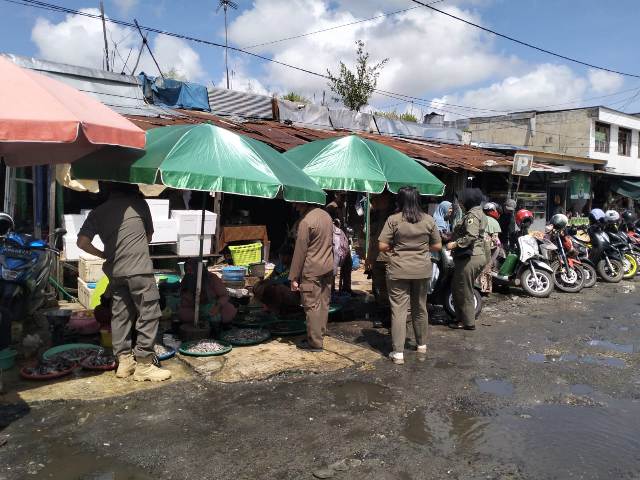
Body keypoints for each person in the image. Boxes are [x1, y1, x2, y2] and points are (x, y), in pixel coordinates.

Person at [77, 182, 171, 382]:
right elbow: (148, 237)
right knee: (149, 312)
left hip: (115, 272)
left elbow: (82, 243)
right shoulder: (139, 204)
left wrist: (103, 253)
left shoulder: (97, 212)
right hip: (138, 269)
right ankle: (145, 365)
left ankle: (124, 362)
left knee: (120, 314)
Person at [379, 187, 442, 365]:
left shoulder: (394, 220)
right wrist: (421, 248)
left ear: (399, 200)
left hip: (398, 269)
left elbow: (382, 246)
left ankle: (398, 353)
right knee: (420, 307)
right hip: (422, 270)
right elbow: (438, 246)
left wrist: (397, 248)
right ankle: (421, 344)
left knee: (399, 310)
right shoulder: (429, 220)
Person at [289, 202, 334, 351]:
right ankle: (319, 333)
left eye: (297, 204)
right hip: (327, 266)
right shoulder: (326, 216)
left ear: (305, 202)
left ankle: (315, 342)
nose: (295, 207)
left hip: (311, 269)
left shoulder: (306, 221)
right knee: (323, 302)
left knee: (311, 306)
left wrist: (294, 277)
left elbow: (300, 251)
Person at [447, 188, 487, 331]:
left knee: (464, 289)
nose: (461, 204)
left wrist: (455, 244)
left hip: (470, 256)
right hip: (472, 256)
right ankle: (461, 318)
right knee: (458, 287)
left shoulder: (473, 215)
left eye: (462, 201)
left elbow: (471, 235)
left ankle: (467, 322)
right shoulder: (475, 213)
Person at [177, 258, 237, 328]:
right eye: (187, 270)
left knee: (228, 310)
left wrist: (217, 307)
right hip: (194, 308)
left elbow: (224, 295)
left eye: (191, 270)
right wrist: (192, 302)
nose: (189, 273)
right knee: (183, 314)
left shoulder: (212, 278)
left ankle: (215, 325)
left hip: (213, 306)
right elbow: (184, 299)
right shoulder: (186, 280)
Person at [365, 192, 394, 328]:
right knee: (379, 290)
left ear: (386, 199)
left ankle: (391, 319)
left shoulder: (394, 217)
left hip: (390, 259)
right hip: (377, 258)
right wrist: (369, 258)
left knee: (390, 291)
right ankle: (384, 317)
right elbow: (373, 239)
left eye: (377, 199)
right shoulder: (375, 215)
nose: (374, 203)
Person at [326, 193, 352, 294]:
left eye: (345, 196)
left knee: (348, 263)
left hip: (343, 239)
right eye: (342, 196)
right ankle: (331, 290)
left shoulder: (343, 206)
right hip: (334, 241)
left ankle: (346, 288)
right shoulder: (331, 207)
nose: (344, 199)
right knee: (333, 264)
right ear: (336, 195)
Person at [480, 202, 502, 294]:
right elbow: (496, 240)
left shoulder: (480, 218)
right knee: (487, 267)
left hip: (477, 248)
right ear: (493, 211)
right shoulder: (494, 222)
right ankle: (486, 289)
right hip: (488, 249)